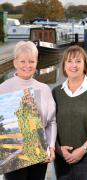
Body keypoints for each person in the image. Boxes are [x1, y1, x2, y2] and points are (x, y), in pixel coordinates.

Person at [0, 41, 57, 180]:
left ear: (36, 63)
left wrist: (51, 147)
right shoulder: (3, 88)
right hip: (13, 155)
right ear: (15, 63)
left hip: (39, 154)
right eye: (23, 61)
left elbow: (51, 122)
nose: (27, 65)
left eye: (31, 61)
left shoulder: (44, 89)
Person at [52, 45, 87, 180]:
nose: (74, 65)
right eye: (69, 61)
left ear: (85, 65)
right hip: (63, 157)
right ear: (64, 66)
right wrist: (60, 150)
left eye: (78, 61)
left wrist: (82, 149)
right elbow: (50, 123)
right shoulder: (56, 92)